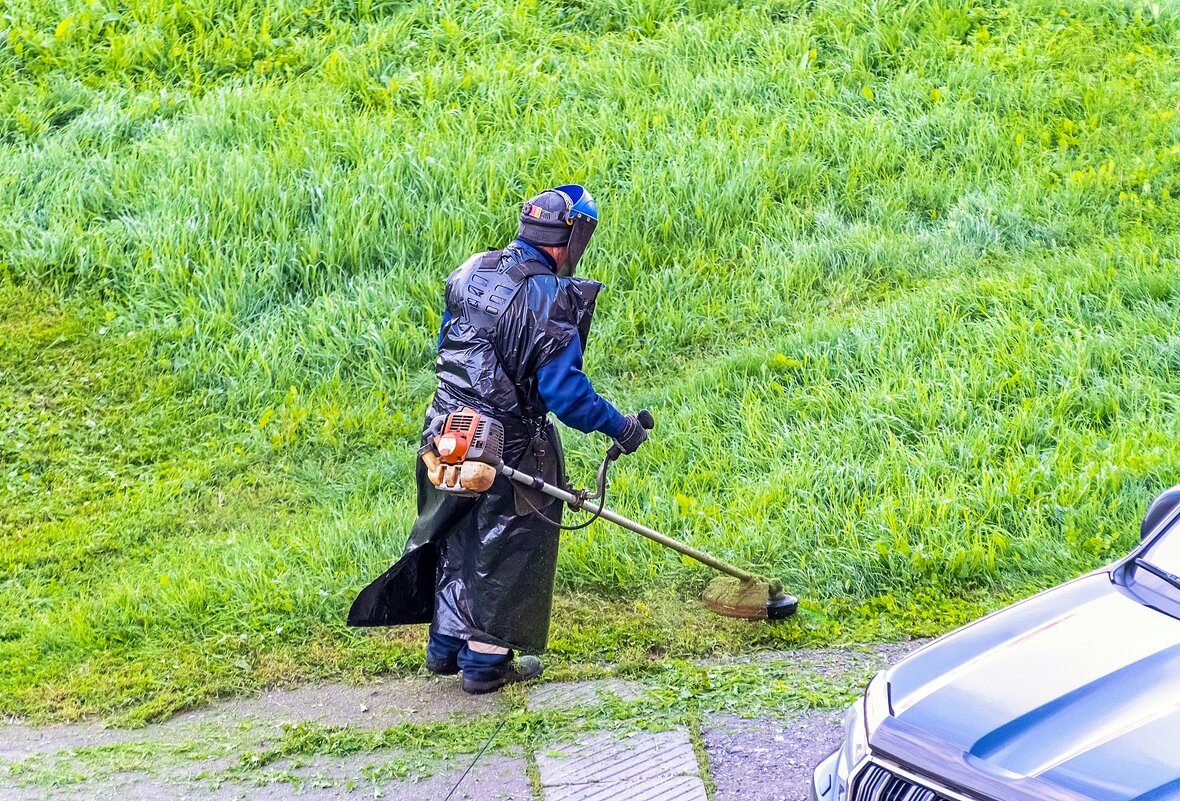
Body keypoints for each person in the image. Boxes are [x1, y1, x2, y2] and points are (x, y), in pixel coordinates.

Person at [348, 185, 649, 694]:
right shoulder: (549, 297)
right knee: (508, 547)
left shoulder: (473, 269)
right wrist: (619, 425)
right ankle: (485, 663)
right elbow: (564, 392)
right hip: (505, 443)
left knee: (456, 533)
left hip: (445, 430)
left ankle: (445, 645)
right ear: (570, 237)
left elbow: (454, 345)